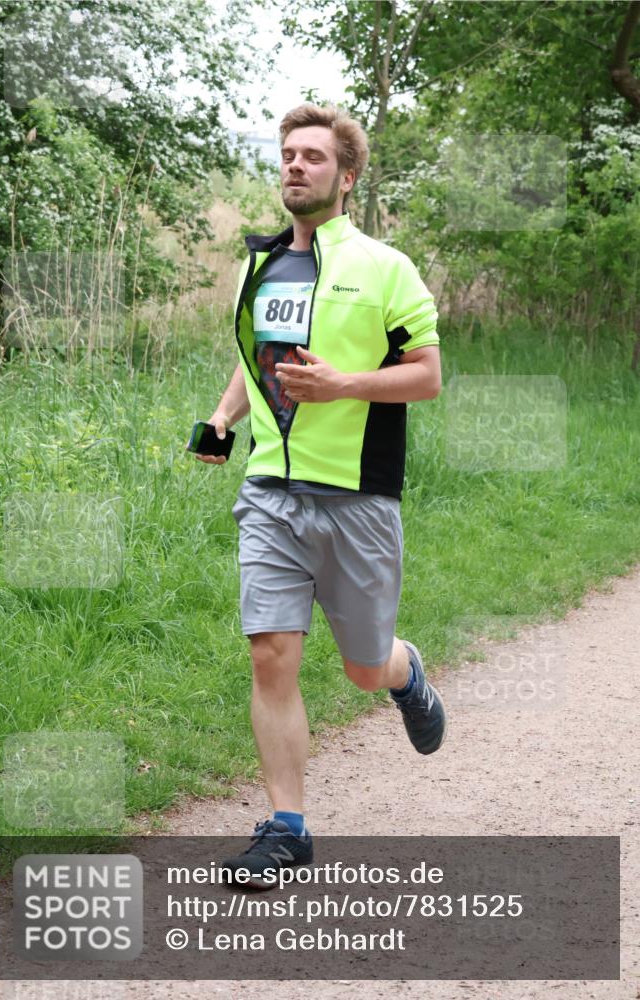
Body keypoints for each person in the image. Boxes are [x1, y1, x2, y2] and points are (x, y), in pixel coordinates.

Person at [191, 103, 446, 889]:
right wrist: (222, 417)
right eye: (287, 155)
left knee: (363, 669)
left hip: (356, 494)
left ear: (347, 176)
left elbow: (426, 376)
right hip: (270, 490)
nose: (295, 166)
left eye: (313, 156)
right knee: (270, 655)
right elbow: (257, 360)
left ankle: (403, 672)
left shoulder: (385, 267)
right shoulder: (259, 265)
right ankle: (287, 829)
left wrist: (344, 385)